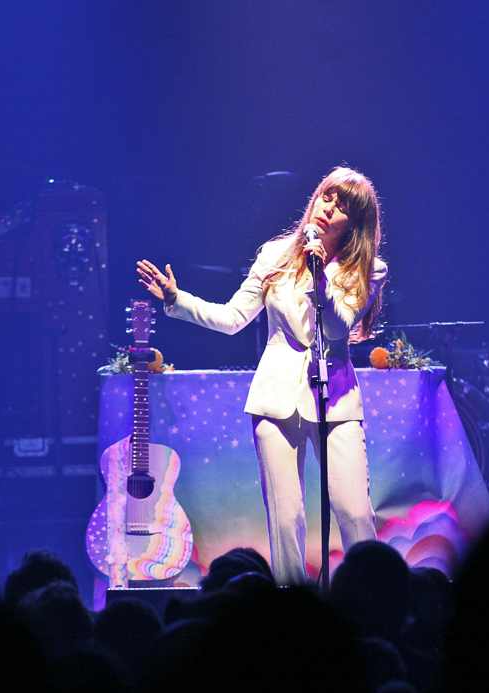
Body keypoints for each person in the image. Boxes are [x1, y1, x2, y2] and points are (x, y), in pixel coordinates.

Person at [137, 166, 386, 585]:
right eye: (326, 196)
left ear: (354, 225)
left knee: (354, 511)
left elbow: (337, 328)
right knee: (286, 519)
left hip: (336, 401)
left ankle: (374, 602)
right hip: (275, 399)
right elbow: (233, 318)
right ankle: (293, 612)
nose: (327, 209)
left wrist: (320, 276)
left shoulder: (367, 269)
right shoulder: (274, 255)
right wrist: (177, 299)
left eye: (341, 208)